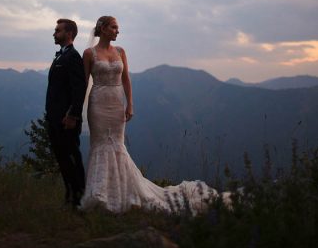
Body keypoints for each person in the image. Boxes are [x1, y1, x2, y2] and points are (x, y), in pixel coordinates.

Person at [80, 16, 226, 214]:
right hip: (98, 103)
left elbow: (126, 80)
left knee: (117, 145)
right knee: (100, 145)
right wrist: (75, 110)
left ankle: (120, 192)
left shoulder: (120, 51)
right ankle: (99, 194)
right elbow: (83, 84)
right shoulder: (89, 53)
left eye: (118, 28)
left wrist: (130, 104)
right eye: (114, 27)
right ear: (103, 29)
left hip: (116, 102)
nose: (117, 31)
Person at [45, 18, 87, 207]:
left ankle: (79, 197)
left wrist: (73, 115)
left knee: (71, 157)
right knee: (62, 158)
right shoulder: (60, 56)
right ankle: (70, 195)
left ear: (69, 34)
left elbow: (79, 90)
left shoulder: (73, 57)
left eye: (58, 31)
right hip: (54, 118)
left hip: (66, 120)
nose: (54, 33)